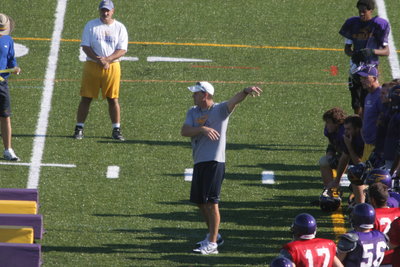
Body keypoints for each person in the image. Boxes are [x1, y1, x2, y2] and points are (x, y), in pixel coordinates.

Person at [181, 81, 262, 255]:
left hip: (215, 161)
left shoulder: (220, 110)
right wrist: (202, 129)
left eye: (195, 93)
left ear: (205, 95)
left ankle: (212, 244)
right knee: (201, 203)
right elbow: (185, 131)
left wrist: (246, 91)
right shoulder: (192, 111)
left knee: (212, 203)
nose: (192, 95)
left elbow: (234, 101)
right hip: (199, 162)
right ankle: (213, 235)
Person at [73, 0, 128, 141]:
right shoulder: (91, 25)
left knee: (113, 98)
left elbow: (122, 49)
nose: (105, 13)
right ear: (99, 11)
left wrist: (108, 60)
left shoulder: (120, 27)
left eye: (108, 10)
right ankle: (79, 127)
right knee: (86, 97)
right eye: (103, 10)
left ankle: (116, 129)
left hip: (113, 66)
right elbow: (85, 46)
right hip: (92, 66)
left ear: (113, 11)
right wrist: (99, 60)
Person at [339, 0, 390, 116]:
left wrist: (371, 51)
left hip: (370, 69)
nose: (361, 13)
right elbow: (347, 49)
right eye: (359, 11)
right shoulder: (352, 23)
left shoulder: (379, 24)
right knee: (355, 103)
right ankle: (358, 123)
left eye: (364, 11)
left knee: (366, 101)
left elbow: (386, 51)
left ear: (371, 11)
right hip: (355, 68)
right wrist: (354, 55)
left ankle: (366, 122)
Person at [327, 115, 364, 203]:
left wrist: (349, 146)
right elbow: (344, 158)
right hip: (366, 167)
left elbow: (360, 165)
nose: (346, 132)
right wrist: (337, 180)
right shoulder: (350, 137)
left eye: (348, 129)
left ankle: (360, 205)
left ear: (357, 129)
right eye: (345, 129)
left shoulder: (363, 139)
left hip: (377, 167)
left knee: (355, 173)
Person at [0, 13, 21, 161]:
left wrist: (15, 67)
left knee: (5, 116)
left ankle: (8, 149)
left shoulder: (8, 40)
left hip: (2, 84)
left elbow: (11, 59)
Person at [368, 182, 400, 265]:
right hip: (395, 257)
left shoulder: (371, 215)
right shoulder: (398, 211)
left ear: (373, 200)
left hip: (379, 258)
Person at [357, 66, 384, 162]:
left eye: (365, 78)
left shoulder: (381, 95)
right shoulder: (368, 95)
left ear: (375, 78)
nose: (362, 81)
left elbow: (384, 118)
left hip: (376, 145)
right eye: (361, 78)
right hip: (367, 143)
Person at [319, 107, 347, 188]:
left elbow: (347, 156)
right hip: (343, 157)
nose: (326, 125)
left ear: (337, 123)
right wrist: (330, 155)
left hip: (353, 161)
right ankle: (330, 191)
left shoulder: (344, 133)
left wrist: (338, 177)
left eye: (328, 122)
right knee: (324, 161)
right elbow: (332, 144)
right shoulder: (330, 131)